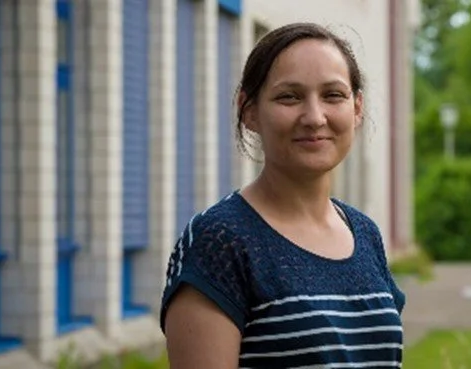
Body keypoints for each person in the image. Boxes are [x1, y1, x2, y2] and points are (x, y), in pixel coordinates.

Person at [160, 22, 406, 369]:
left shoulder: (365, 234)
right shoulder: (219, 240)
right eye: (289, 96)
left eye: (333, 95)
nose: (314, 117)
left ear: (357, 107)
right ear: (249, 110)